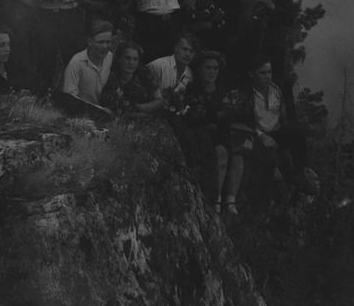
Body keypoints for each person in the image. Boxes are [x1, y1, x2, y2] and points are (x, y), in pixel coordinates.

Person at [222, 57, 314, 216]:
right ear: (252, 74)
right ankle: (258, 207)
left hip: (275, 132)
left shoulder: (276, 90)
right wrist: (261, 136)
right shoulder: (243, 94)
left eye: (269, 72)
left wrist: (280, 135)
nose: (267, 76)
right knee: (269, 161)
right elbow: (234, 118)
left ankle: (299, 173)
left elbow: (283, 116)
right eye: (262, 72)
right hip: (254, 134)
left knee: (297, 133)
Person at [178, 49, 235, 207]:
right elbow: (190, 116)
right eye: (208, 68)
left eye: (215, 68)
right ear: (200, 69)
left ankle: (215, 200)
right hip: (198, 135)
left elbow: (227, 117)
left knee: (222, 152)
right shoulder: (191, 89)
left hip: (219, 136)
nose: (212, 72)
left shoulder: (223, 92)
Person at [100, 39, 166, 116]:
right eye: (127, 58)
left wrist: (143, 107)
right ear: (119, 59)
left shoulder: (144, 73)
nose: (131, 63)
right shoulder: (110, 75)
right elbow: (109, 106)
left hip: (145, 119)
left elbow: (160, 101)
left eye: (135, 59)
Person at [60, 19, 115, 108]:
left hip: (107, 112)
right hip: (83, 113)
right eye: (100, 42)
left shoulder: (109, 57)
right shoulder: (76, 62)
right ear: (90, 42)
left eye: (108, 42)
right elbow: (69, 98)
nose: (105, 47)